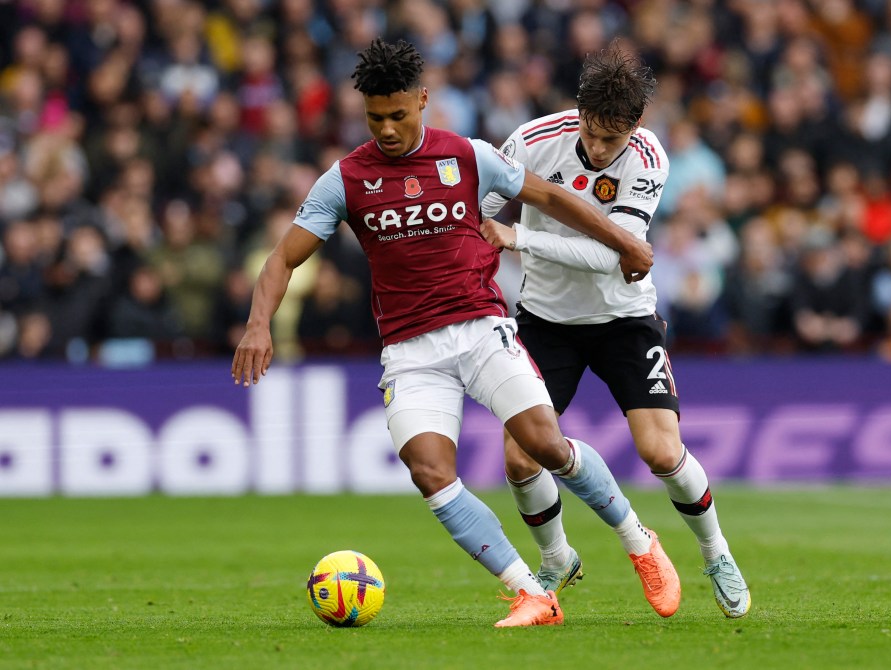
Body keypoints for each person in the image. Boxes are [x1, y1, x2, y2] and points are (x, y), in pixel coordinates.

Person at [231, 38, 677, 627]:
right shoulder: (344, 180)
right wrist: (258, 324)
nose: (387, 129)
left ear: (422, 100)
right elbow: (282, 258)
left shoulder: (468, 156)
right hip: (410, 351)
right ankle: (532, 594)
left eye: (397, 114)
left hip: (481, 327)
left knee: (544, 445)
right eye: (374, 118)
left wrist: (624, 240)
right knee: (430, 473)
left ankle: (638, 540)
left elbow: (550, 196)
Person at [480, 44, 752, 618]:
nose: (602, 150)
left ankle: (716, 551)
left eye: (614, 139)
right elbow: (478, 205)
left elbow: (614, 256)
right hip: (546, 320)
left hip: (625, 318)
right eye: (594, 135)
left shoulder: (648, 157)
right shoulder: (530, 140)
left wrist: (518, 238)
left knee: (660, 451)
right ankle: (557, 559)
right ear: (577, 112)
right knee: (520, 457)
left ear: (637, 127)